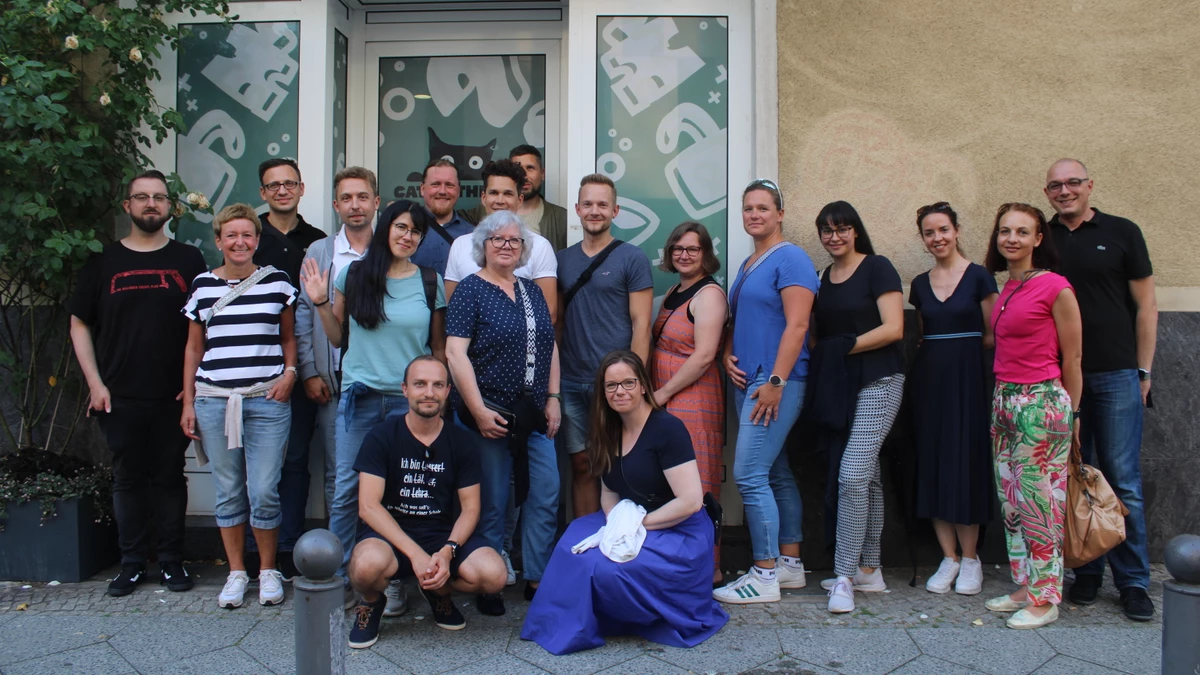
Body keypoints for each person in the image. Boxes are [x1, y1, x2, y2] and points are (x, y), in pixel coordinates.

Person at [522, 350, 728, 654]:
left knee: (608, 567)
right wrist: (615, 522)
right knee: (570, 546)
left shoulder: (667, 429)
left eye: (628, 383)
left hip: (679, 529)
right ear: (603, 392)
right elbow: (609, 492)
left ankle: (616, 616)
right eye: (611, 385)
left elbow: (691, 502)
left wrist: (635, 526)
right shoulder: (608, 429)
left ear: (643, 385)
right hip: (632, 517)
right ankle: (567, 623)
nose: (620, 391)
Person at [69, 169, 208, 597]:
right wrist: (95, 383)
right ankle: (130, 564)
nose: (151, 204)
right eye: (142, 197)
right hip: (118, 393)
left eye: (159, 198)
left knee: (169, 478)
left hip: (174, 394)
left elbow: (203, 329)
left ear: (170, 207)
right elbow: (78, 324)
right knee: (127, 479)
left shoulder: (189, 260)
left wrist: (195, 385)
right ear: (127, 206)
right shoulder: (103, 262)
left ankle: (170, 562)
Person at [302, 196, 446, 609]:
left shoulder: (429, 282)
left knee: (402, 493)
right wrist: (319, 302)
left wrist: (439, 400)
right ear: (386, 228)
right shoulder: (354, 274)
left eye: (416, 231)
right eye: (401, 226)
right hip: (360, 398)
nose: (408, 236)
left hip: (409, 405)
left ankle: (395, 575)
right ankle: (340, 574)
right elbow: (335, 336)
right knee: (348, 489)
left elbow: (435, 350)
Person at [1044, 159, 1157, 621]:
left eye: (1073, 182)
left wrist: (1143, 371)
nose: (1065, 190)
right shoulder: (1042, 237)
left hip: (1114, 373)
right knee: (1074, 476)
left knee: (1122, 478)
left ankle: (1133, 581)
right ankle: (1086, 575)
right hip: (1059, 377)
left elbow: (1146, 305)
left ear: (1090, 185)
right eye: (1056, 185)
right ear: (1047, 192)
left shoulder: (1123, 232)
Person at [180, 203, 299, 609]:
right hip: (215, 400)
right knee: (228, 490)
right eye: (231, 235)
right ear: (218, 241)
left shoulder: (277, 283)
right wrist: (189, 401)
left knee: (264, 489)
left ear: (257, 240)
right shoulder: (201, 286)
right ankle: (236, 572)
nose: (240, 242)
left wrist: (291, 373)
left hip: (267, 399)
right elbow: (194, 347)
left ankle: (267, 571)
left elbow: (288, 338)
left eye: (247, 234)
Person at [346, 355, 507, 648]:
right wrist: (416, 555)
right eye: (420, 384)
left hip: (441, 535)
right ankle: (370, 603)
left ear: (448, 391)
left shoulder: (461, 441)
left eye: (437, 385)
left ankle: (438, 592)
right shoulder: (381, 436)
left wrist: (447, 552)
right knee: (365, 566)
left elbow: (471, 508)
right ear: (405, 389)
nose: (429, 392)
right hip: (390, 534)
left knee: (494, 575)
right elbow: (368, 506)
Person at [446, 211, 561, 617]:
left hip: (532, 413)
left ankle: (536, 576)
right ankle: (488, 580)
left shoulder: (531, 291)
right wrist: (476, 411)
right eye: (498, 240)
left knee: (545, 492)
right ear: (483, 246)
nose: (507, 245)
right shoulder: (470, 291)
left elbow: (550, 345)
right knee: (492, 500)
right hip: (489, 414)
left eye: (514, 240)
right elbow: (454, 354)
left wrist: (554, 397)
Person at [713, 180, 818, 605]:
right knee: (774, 471)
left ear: (779, 214)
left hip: (775, 381)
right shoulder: (748, 263)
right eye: (748, 208)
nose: (754, 214)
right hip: (751, 378)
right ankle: (790, 565)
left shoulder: (790, 258)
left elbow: (798, 325)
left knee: (750, 475)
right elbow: (738, 320)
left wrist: (775, 382)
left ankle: (764, 573)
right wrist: (725, 354)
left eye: (763, 207)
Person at [983, 202, 1082, 630]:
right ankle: (1024, 583)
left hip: (1040, 405)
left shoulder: (1055, 287)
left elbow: (1074, 357)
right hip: (1005, 399)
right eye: (1005, 231)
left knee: (1040, 503)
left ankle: (1045, 598)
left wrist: (1073, 416)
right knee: (1012, 501)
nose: (1012, 239)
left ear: (1038, 239)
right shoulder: (1008, 287)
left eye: (1022, 232)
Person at [808, 201, 906, 615]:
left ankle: (844, 576)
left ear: (856, 231)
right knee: (867, 478)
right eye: (827, 231)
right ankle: (870, 568)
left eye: (842, 228)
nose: (835, 237)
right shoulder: (822, 277)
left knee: (851, 475)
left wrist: (844, 346)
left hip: (880, 380)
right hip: (841, 387)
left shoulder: (878, 266)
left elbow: (894, 328)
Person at [286, 166, 375, 581]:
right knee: (341, 479)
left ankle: (373, 566)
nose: (355, 205)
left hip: (379, 382)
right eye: (347, 198)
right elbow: (304, 313)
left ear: (376, 202)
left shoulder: (388, 251)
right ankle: (337, 567)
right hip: (333, 379)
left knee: (380, 477)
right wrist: (308, 370)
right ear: (336, 204)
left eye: (363, 196)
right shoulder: (320, 252)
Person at [908, 202, 998, 596]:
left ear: (957, 230)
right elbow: (925, 333)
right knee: (934, 463)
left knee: (966, 465)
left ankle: (972, 559)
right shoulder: (919, 283)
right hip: (930, 382)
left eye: (943, 229)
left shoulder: (979, 277)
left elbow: (995, 334)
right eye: (929, 232)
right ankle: (949, 558)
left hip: (970, 381)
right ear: (923, 238)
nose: (937, 238)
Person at [249, 158, 329, 581]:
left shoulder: (316, 242)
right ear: (263, 193)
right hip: (250, 366)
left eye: (289, 184)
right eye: (273, 185)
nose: (282, 191)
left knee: (296, 459)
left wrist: (310, 368)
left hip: (299, 368)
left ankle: (289, 548)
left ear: (301, 189)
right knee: (257, 464)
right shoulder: (248, 236)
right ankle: (251, 549)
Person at [558, 174, 653, 518]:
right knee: (582, 465)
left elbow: (642, 324)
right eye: (588, 204)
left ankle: (621, 543)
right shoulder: (562, 260)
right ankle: (584, 545)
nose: (594, 211)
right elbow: (556, 322)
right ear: (577, 209)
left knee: (621, 466)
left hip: (615, 383)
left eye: (602, 204)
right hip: (570, 379)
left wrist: (635, 380)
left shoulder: (632, 258)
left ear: (615, 210)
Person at [650, 221, 728, 584]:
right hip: (667, 401)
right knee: (673, 483)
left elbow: (704, 356)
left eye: (692, 249)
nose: (684, 255)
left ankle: (708, 569)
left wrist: (663, 393)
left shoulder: (709, 295)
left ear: (706, 255)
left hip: (694, 401)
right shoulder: (673, 291)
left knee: (699, 481)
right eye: (678, 248)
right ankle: (679, 564)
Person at [445, 159, 558, 320]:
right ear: (483, 197)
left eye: (508, 194)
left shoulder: (539, 246)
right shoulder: (460, 245)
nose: (500, 200)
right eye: (493, 193)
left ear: (519, 200)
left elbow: (549, 314)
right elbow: (452, 310)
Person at [462, 145, 568, 251]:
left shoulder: (561, 218)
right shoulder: (483, 211)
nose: (524, 175)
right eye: (518, 168)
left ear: (542, 174)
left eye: (530, 168)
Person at [411, 159, 474, 276]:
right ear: (422, 189)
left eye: (449, 185)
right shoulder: (406, 230)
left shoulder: (471, 235)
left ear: (459, 190)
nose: (442, 191)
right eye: (435, 184)